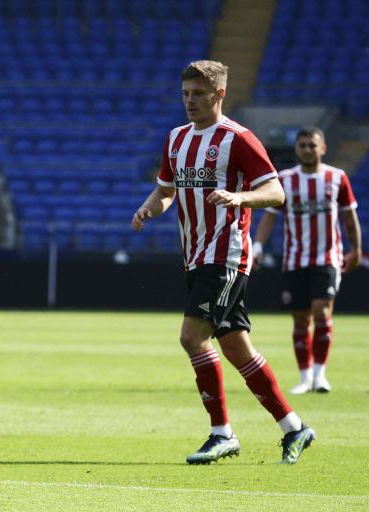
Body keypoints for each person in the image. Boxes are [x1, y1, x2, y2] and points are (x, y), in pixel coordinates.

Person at [131, 60, 316, 465]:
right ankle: (294, 427)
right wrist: (148, 208)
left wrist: (239, 198)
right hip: (195, 255)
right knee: (236, 347)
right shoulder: (176, 139)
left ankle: (222, 433)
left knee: (191, 337)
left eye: (198, 94)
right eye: (185, 94)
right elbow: (166, 190)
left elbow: (276, 193)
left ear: (219, 94)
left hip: (227, 253)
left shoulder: (239, 139)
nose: (190, 101)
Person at [253, 127, 361, 394]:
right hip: (295, 259)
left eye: (312, 145)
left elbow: (349, 216)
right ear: (296, 149)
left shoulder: (337, 177)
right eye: (302, 145)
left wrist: (356, 249)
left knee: (322, 311)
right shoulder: (285, 180)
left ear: (322, 148)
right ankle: (304, 378)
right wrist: (257, 246)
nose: (307, 150)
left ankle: (319, 375)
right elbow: (269, 216)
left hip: (328, 257)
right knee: (301, 319)